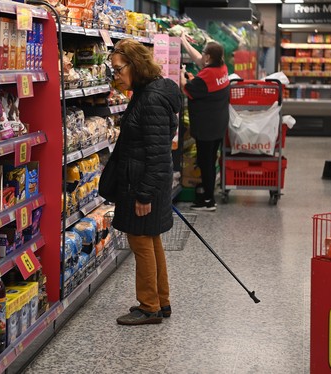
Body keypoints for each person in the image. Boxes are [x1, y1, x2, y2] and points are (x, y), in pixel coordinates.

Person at [108, 39, 182, 325]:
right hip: (143, 180)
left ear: (135, 65)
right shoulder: (147, 92)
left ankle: (148, 306)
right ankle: (161, 300)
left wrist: (144, 194)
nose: (115, 74)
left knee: (140, 242)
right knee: (152, 240)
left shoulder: (150, 100)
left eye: (118, 68)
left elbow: (159, 154)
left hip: (142, 183)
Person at [180, 36, 230, 211]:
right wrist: (184, 42)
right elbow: (199, 60)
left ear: (208, 57)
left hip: (207, 127)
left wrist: (181, 74)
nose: (201, 57)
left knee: (206, 162)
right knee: (210, 159)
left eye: (204, 54)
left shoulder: (205, 77)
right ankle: (208, 195)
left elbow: (186, 87)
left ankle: (209, 200)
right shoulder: (221, 68)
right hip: (218, 124)